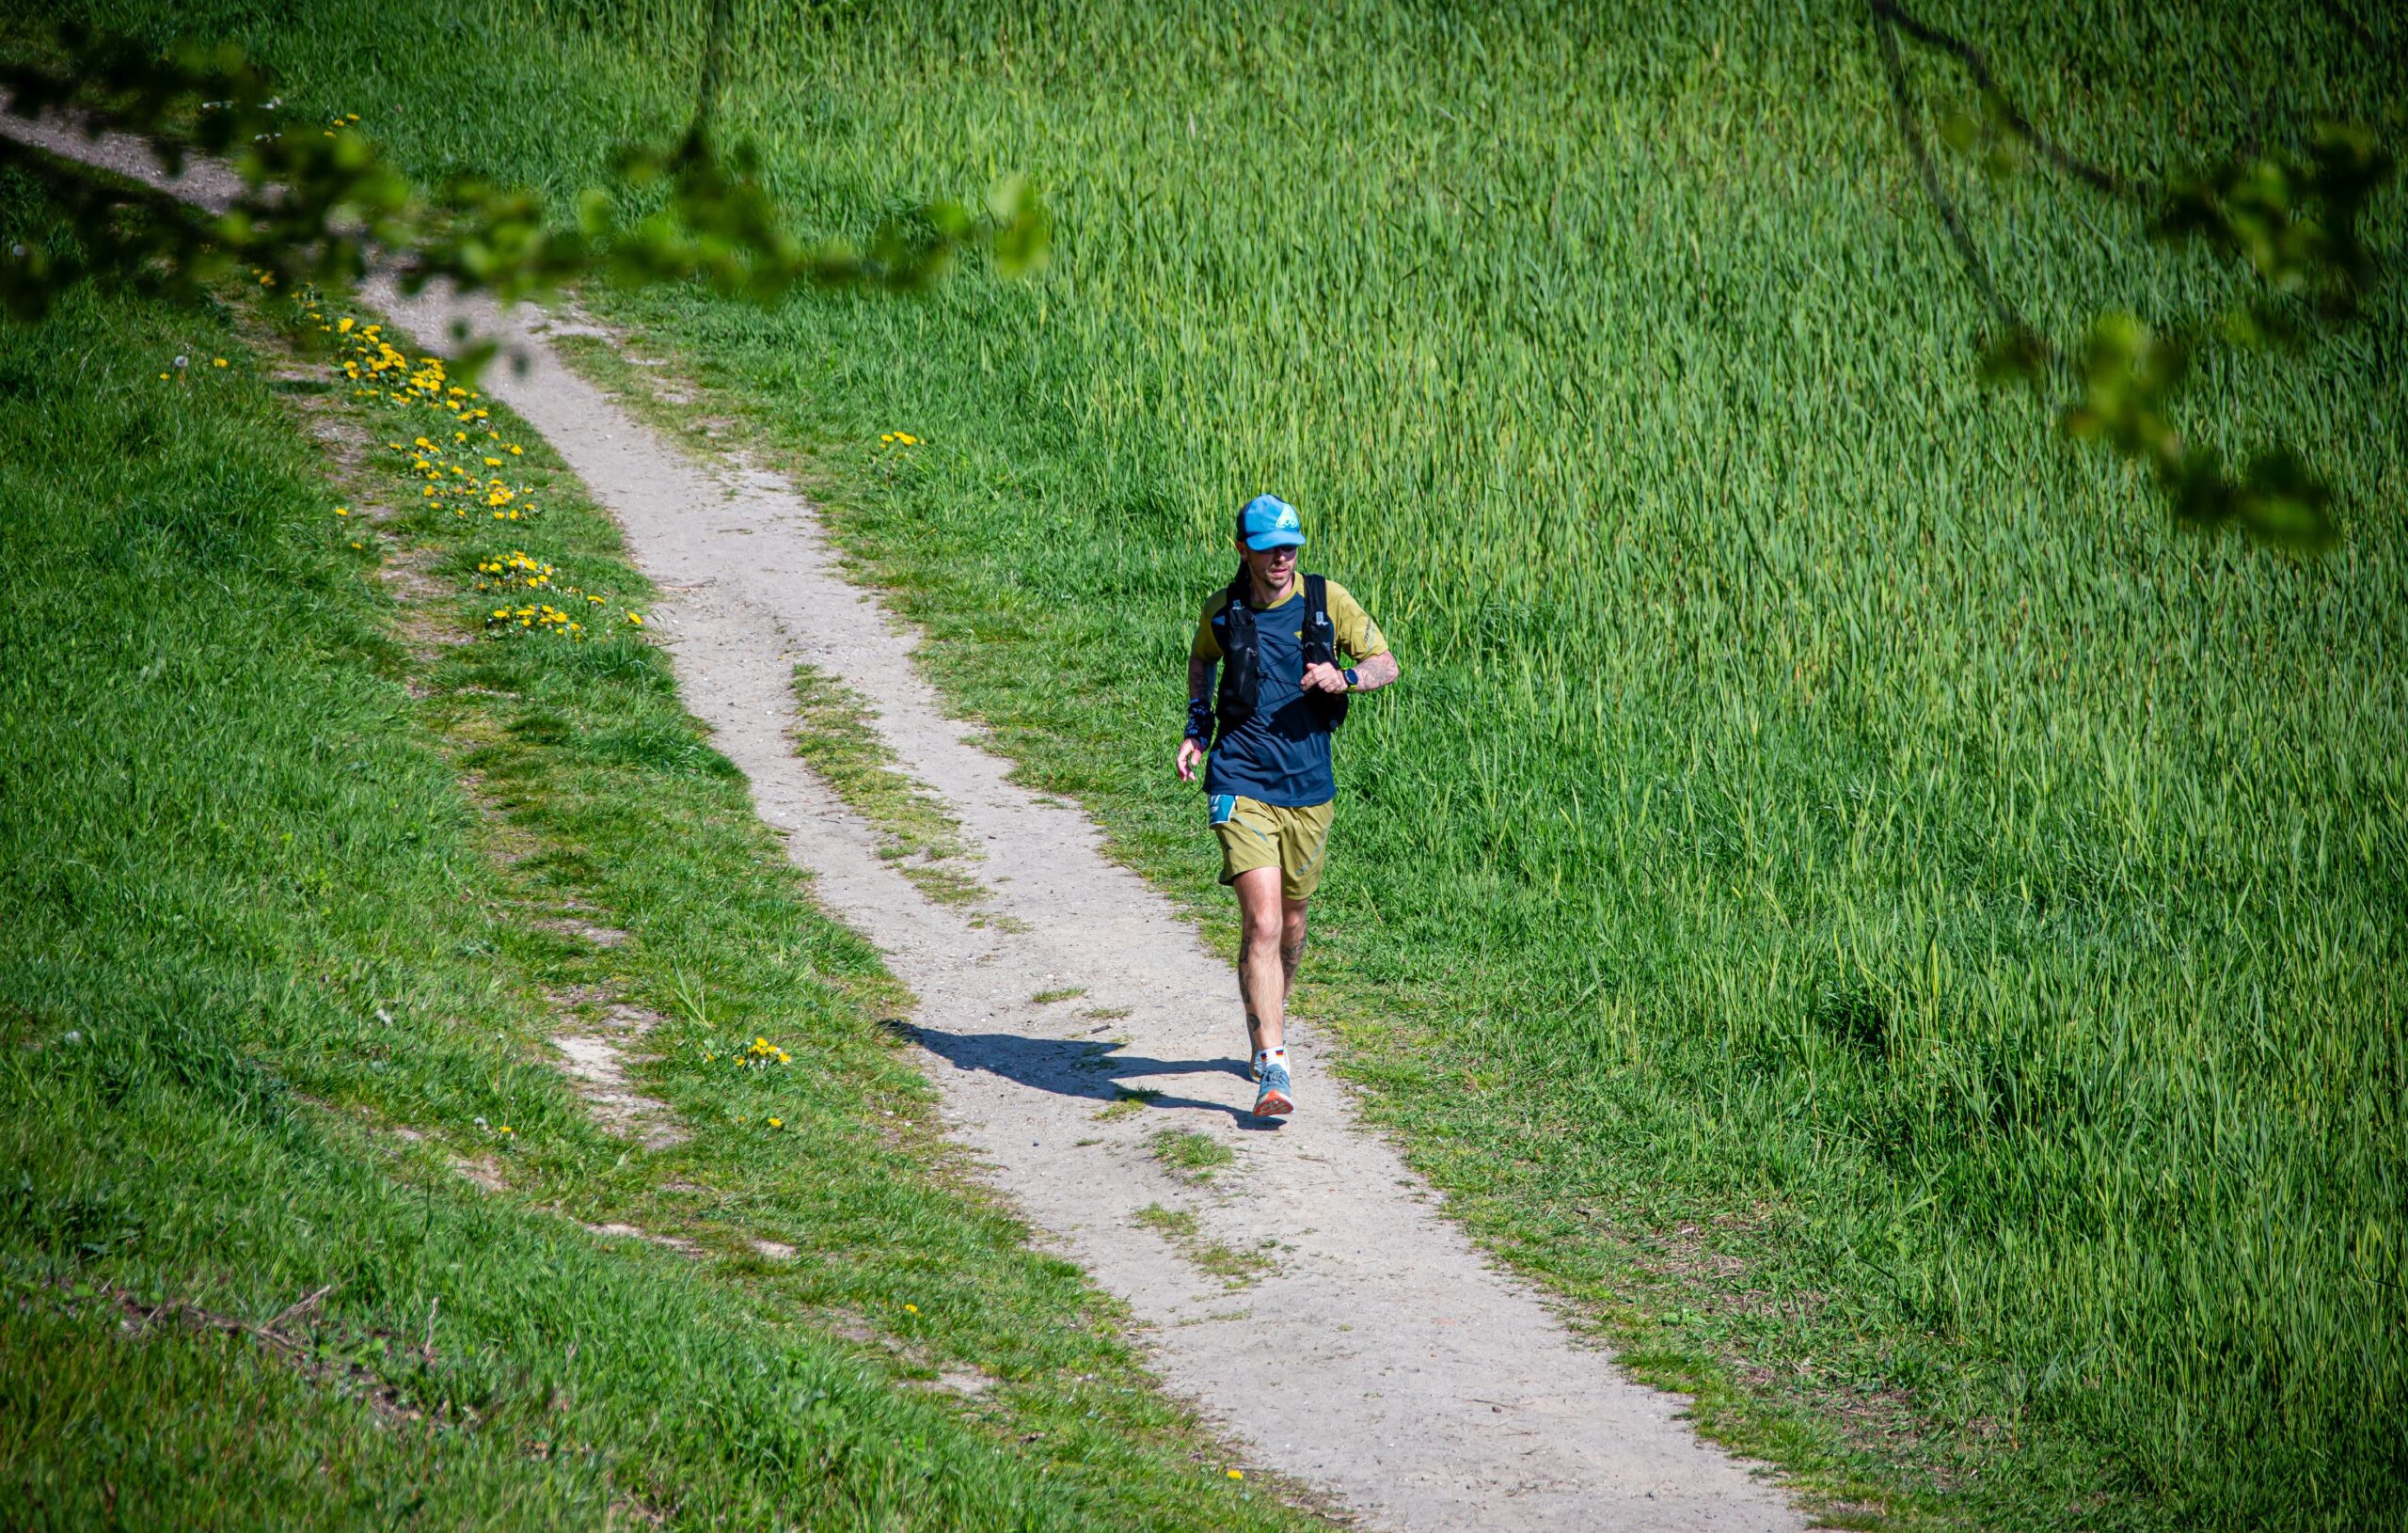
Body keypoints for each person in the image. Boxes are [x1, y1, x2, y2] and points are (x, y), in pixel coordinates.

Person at [1178, 494, 1398, 1117]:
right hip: (1239, 782)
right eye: (1270, 547)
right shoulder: (1223, 612)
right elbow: (1203, 661)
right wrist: (1197, 728)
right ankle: (1274, 1067)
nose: (1282, 558)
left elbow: (1387, 663)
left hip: (1310, 792)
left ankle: (1267, 1014)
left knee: (1293, 925)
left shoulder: (1327, 602)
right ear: (1242, 548)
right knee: (1265, 923)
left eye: (1290, 547)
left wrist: (1346, 678)